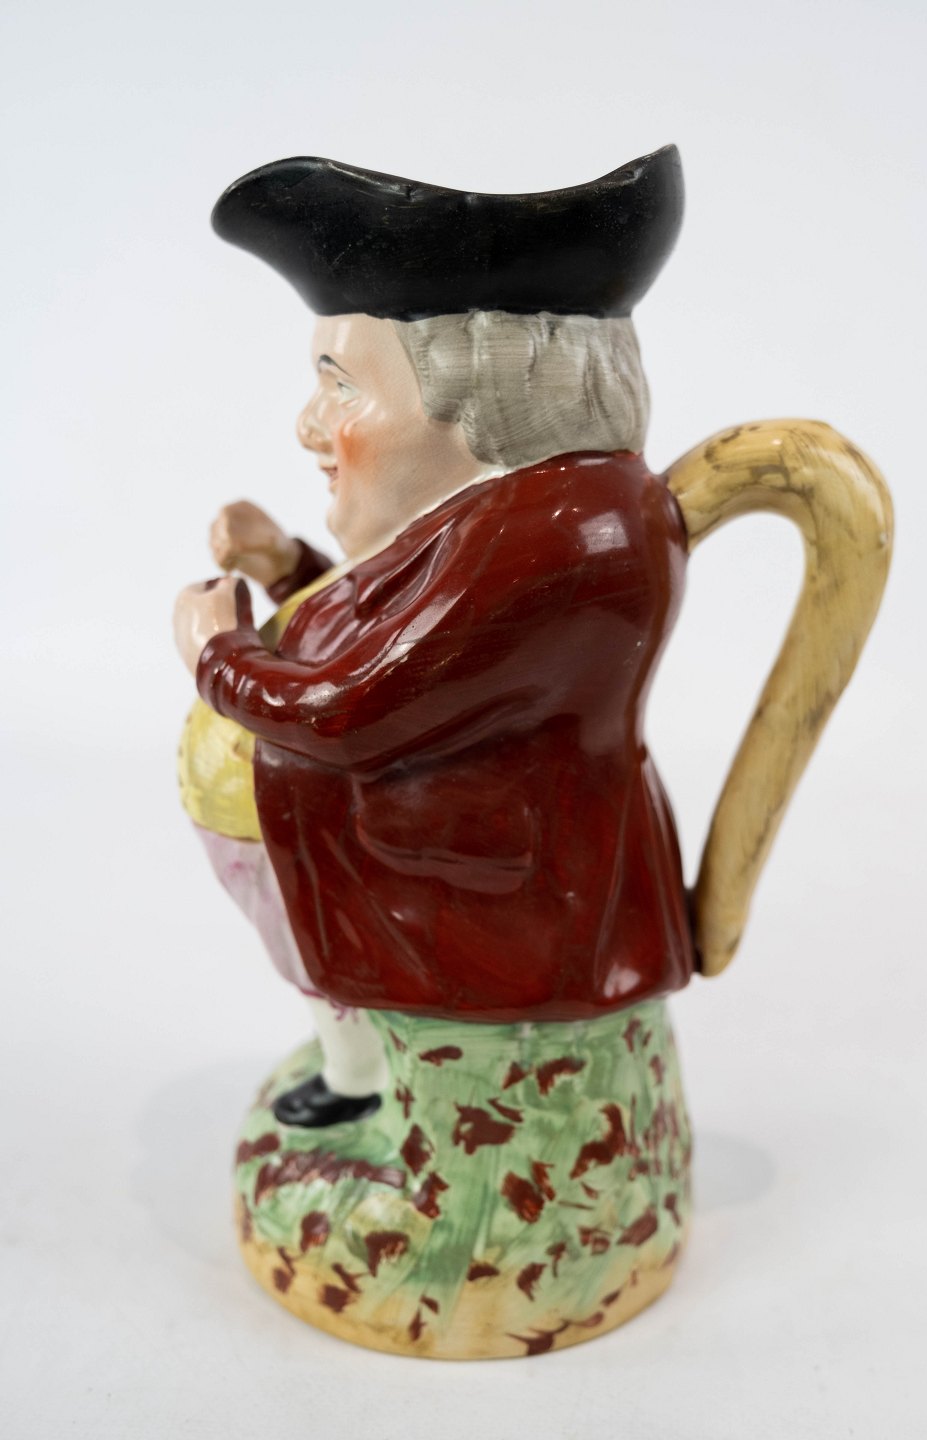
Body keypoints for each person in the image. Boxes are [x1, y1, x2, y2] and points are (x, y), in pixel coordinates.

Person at [174, 149, 696, 1127]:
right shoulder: (495, 515)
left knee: (478, 1118)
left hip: (495, 905)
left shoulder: (559, 534)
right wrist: (286, 566)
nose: (309, 424)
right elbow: (398, 631)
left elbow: (348, 712)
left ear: (475, 399)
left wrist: (218, 654)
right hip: (426, 873)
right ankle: (366, 1074)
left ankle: (424, 1128)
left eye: (341, 387)